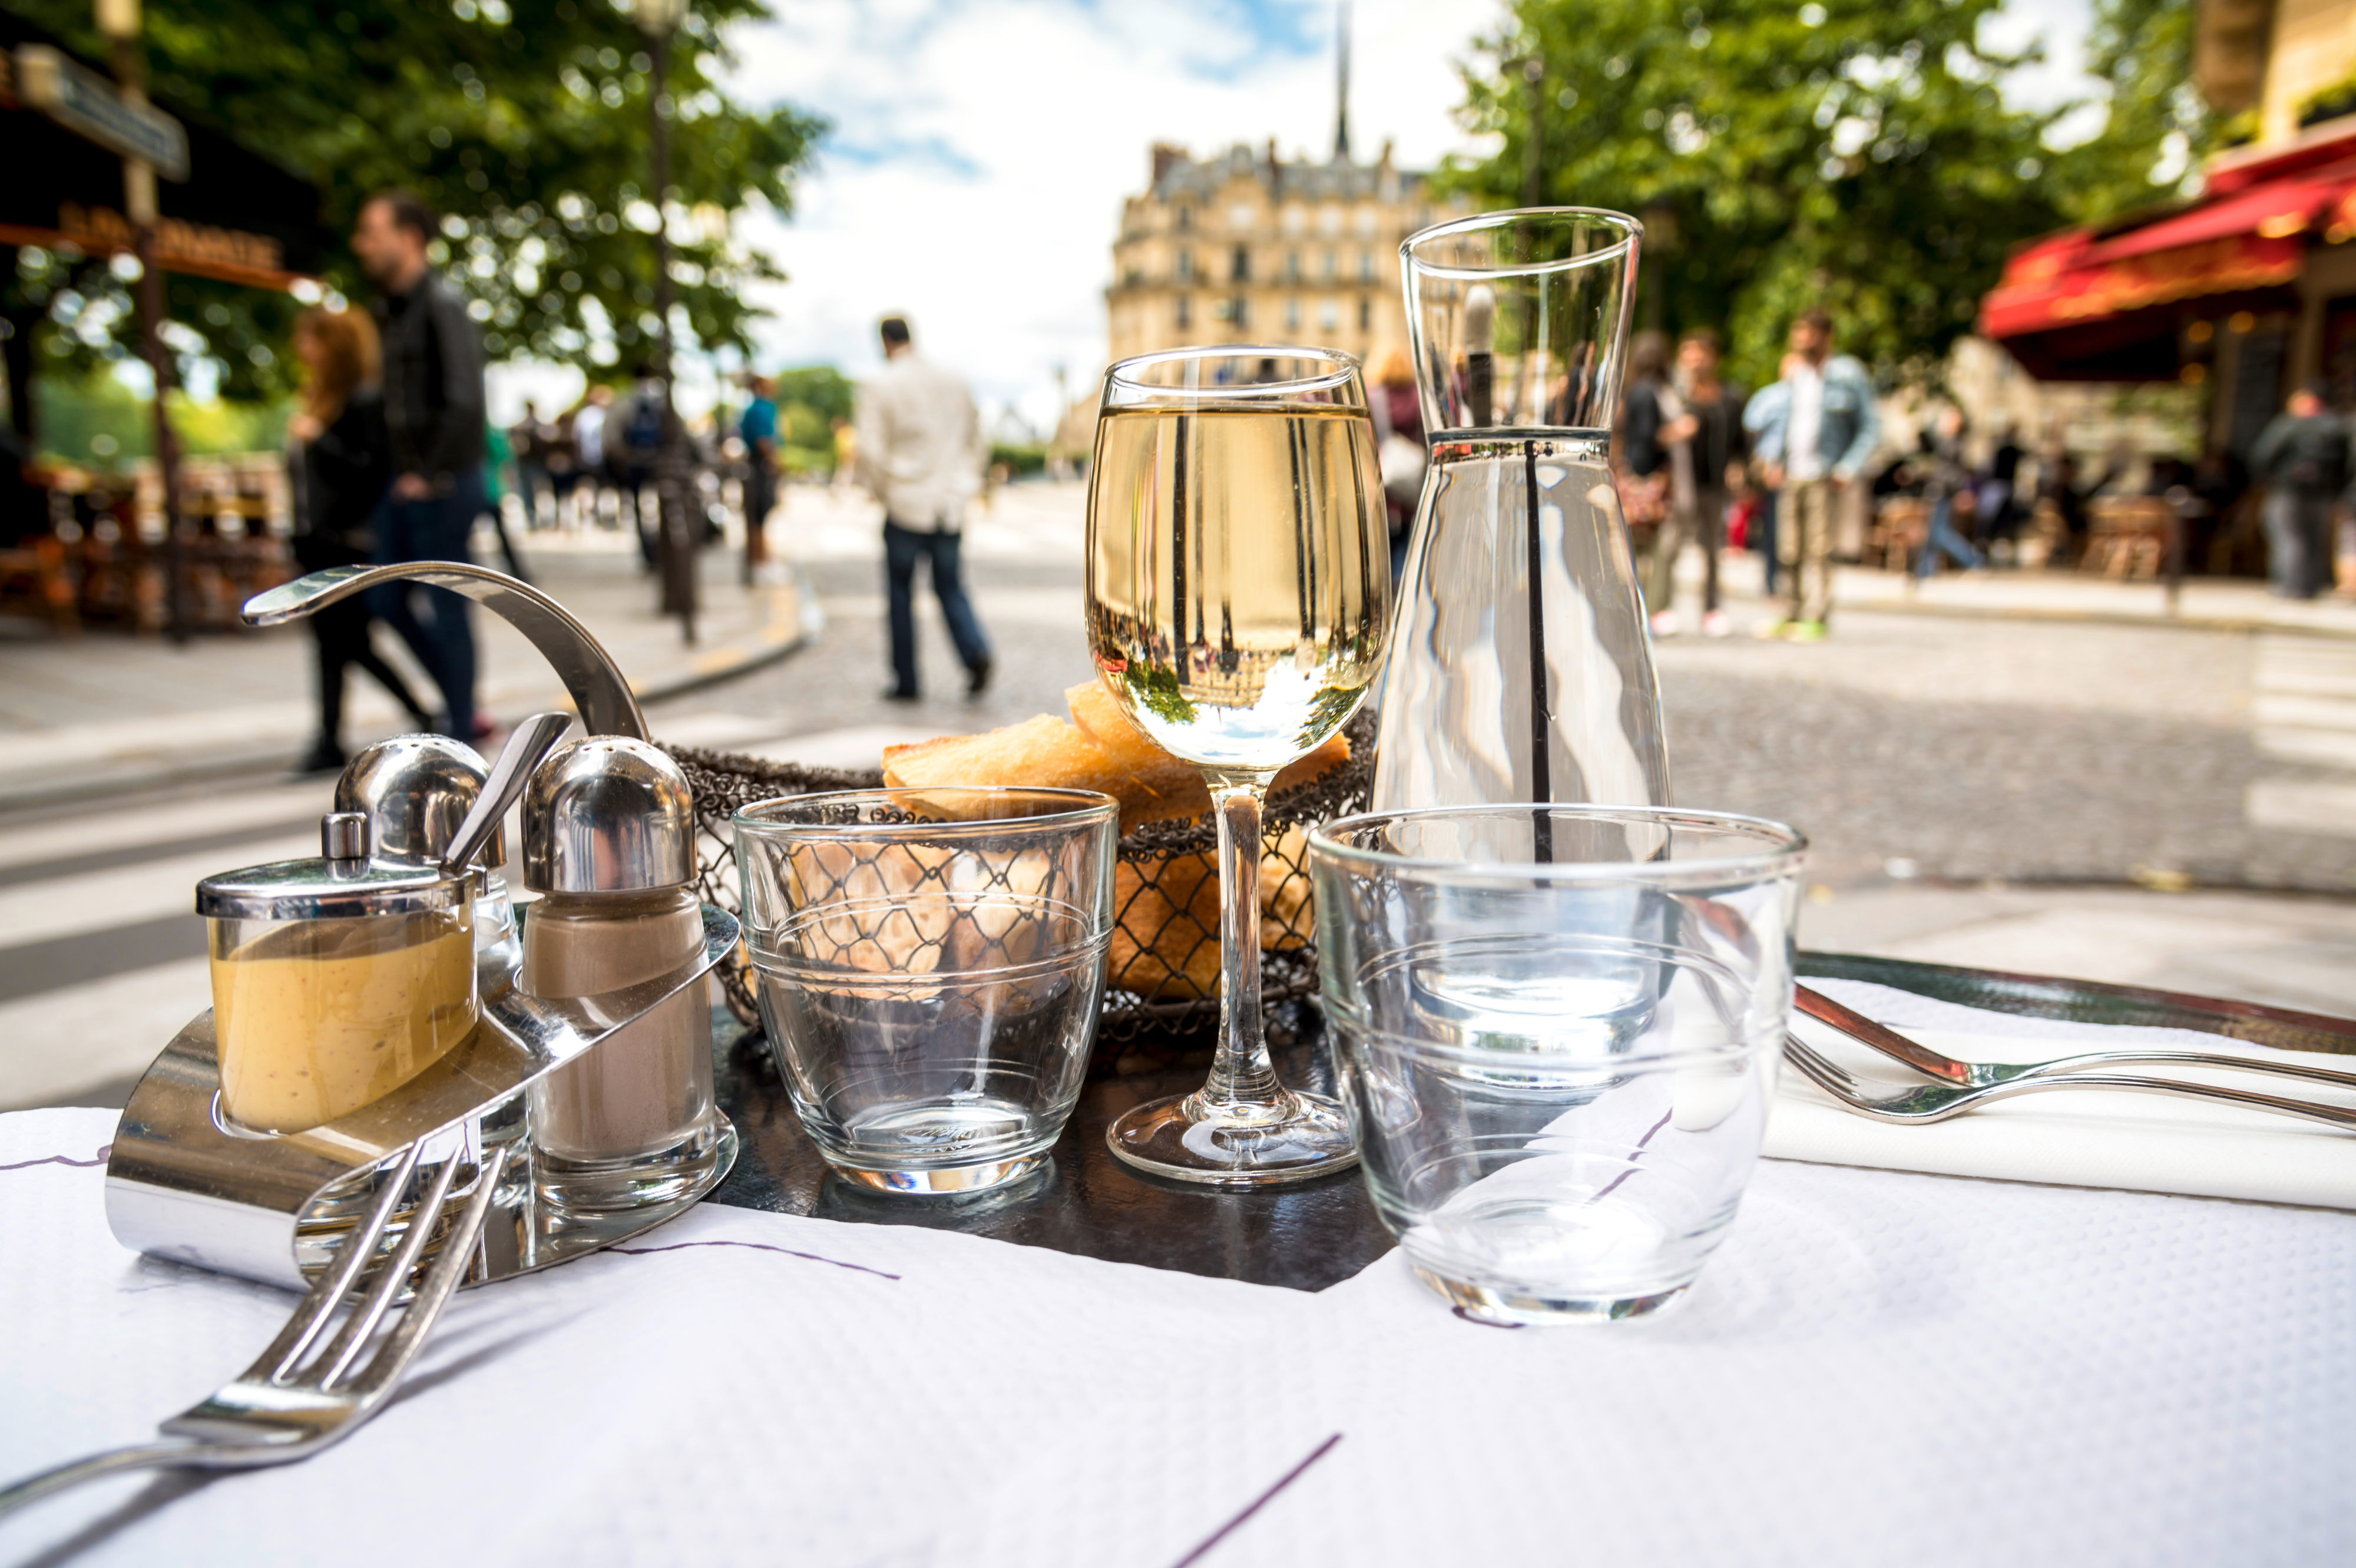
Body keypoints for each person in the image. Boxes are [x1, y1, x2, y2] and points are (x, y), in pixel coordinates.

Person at [350, 188, 488, 741]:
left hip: (443, 483)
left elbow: (464, 401)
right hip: (405, 484)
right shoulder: (392, 313)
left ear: (409, 238)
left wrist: (429, 473)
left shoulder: (442, 305)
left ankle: (461, 725)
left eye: (372, 233)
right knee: (384, 600)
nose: (362, 246)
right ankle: (462, 701)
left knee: (447, 607)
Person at [284, 305, 435, 775]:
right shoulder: (320, 399)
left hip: (345, 540)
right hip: (314, 538)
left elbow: (370, 470)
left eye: (312, 340)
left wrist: (319, 439)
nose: (303, 349)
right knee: (340, 644)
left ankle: (336, 738)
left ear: (336, 346)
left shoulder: (362, 401)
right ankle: (349, 732)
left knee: (343, 644)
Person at [854, 315, 992, 700]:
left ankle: (907, 680)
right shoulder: (955, 381)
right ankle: (974, 652)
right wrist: (964, 485)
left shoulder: (879, 383)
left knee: (900, 593)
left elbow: (870, 448)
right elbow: (977, 440)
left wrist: (886, 492)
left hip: (905, 501)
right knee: (950, 586)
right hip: (948, 502)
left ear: (885, 342)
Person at [1742, 309, 1881, 641]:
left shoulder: (1847, 375)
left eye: (1807, 333)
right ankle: (1790, 612)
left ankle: (1815, 615)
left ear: (1825, 336)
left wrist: (1849, 467)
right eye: (1798, 333)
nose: (1800, 340)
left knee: (1817, 549)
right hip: (1791, 473)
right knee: (1787, 547)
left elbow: (1871, 426)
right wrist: (1772, 462)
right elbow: (1778, 423)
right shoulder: (1795, 375)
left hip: (1824, 473)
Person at [1648, 329, 1746, 636]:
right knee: (1670, 547)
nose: (1695, 359)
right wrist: (1676, 431)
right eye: (1688, 352)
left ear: (1714, 357)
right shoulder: (1672, 396)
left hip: (1714, 485)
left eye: (1701, 352)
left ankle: (1712, 610)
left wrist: (1738, 468)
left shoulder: (1730, 399)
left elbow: (1740, 444)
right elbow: (1652, 438)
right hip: (1679, 487)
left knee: (1712, 551)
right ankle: (1660, 610)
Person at [2251, 383, 2350, 599]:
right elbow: (2348, 464)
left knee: (2288, 537)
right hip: (2324, 494)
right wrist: (2338, 489)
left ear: (2307, 401)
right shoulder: (2339, 428)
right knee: (2316, 540)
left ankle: (2289, 586)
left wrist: (2266, 480)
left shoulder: (2290, 425)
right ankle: (2311, 587)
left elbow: (2263, 455)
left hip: (2289, 491)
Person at [1618, 330, 1679, 616]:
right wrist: (1679, 431)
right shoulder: (1648, 391)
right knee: (1652, 548)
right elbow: (1646, 436)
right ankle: (1648, 608)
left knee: (1640, 545)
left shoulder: (1635, 389)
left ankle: (1642, 607)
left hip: (1638, 474)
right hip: (1648, 476)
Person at [1367, 346, 1425, 587]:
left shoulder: (1373, 396)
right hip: (1412, 487)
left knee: (1383, 553)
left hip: (1384, 486)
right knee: (1409, 548)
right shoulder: (1418, 395)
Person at [1914, 406, 1986, 579]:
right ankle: (1924, 571)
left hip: (1943, 491)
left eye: (1946, 418)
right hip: (1940, 490)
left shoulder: (1953, 444)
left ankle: (1974, 559)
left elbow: (1955, 472)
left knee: (1938, 533)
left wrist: (1960, 491)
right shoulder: (1947, 442)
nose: (1942, 421)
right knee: (1934, 533)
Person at [739, 373, 781, 585]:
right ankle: (759, 564)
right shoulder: (760, 408)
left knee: (759, 518)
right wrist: (775, 462)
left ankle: (761, 562)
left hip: (756, 466)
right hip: (760, 467)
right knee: (759, 518)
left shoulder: (757, 407)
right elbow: (764, 440)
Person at [571, 384, 613, 531]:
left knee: (594, 486)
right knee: (592, 486)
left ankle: (596, 512)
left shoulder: (586, 415)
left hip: (592, 457)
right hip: (595, 457)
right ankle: (592, 512)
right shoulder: (596, 415)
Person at [509, 401, 553, 530]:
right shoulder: (521, 426)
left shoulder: (538, 426)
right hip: (525, 463)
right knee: (527, 491)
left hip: (537, 462)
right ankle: (532, 517)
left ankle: (545, 518)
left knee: (543, 490)